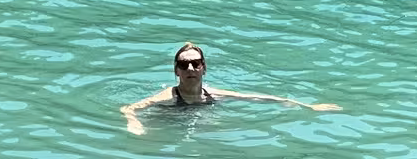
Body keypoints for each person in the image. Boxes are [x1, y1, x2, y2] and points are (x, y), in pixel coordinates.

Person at [121, 43, 339, 137]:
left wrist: (309, 106)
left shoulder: (213, 94)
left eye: (196, 63)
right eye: (184, 64)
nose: (190, 68)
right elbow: (128, 108)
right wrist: (135, 122)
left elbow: (259, 97)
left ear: (203, 68)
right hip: (170, 121)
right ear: (176, 70)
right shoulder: (167, 96)